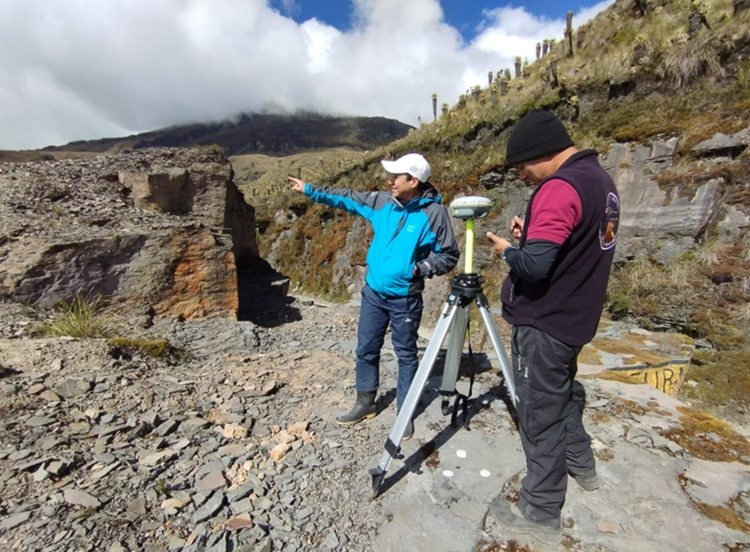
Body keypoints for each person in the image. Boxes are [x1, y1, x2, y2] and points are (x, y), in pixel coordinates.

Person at [485, 110, 621, 540]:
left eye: (523, 166)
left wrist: (509, 250)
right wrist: (534, 232)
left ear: (541, 153)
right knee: (563, 395)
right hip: (576, 318)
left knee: (539, 411)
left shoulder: (558, 188)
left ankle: (539, 509)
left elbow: (537, 266)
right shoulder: (601, 182)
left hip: (545, 322)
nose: (523, 176)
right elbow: (575, 243)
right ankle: (583, 465)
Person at [288, 153, 459, 439]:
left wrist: (421, 268)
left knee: (405, 355)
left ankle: (405, 413)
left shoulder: (433, 214)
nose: (390, 181)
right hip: (374, 294)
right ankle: (365, 402)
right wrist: (309, 190)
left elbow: (449, 254)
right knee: (366, 349)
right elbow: (346, 197)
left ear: (413, 181)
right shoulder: (382, 202)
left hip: (405, 298)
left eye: (396, 177)